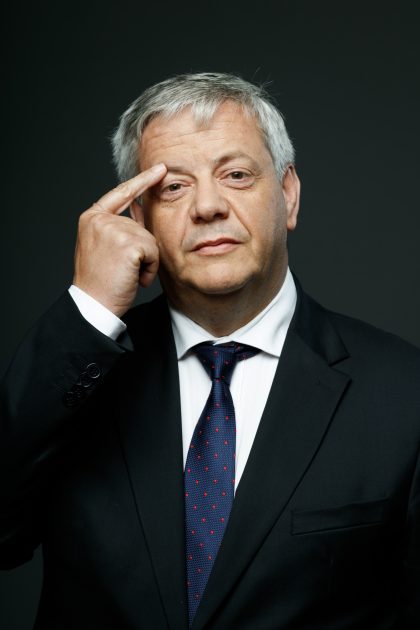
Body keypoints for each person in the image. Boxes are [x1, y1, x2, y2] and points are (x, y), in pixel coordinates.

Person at [0, 72, 419, 629]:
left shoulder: (405, 393)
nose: (207, 206)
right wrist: (88, 312)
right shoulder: (80, 372)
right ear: (138, 218)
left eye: (236, 175)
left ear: (288, 194)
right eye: (173, 187)